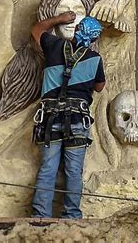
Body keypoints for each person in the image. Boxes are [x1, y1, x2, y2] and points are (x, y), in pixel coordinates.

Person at [31, 13, 105, 219]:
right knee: (73, 171)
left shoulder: (54, 45)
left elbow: (36, 30)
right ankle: (71, 216)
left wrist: (60, 19)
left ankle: (40, 216)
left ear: (77, 29)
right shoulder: (95, 59)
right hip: (77, 120)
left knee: (48, 168)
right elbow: (99, 87)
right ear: (94, 38)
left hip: (50, 118)